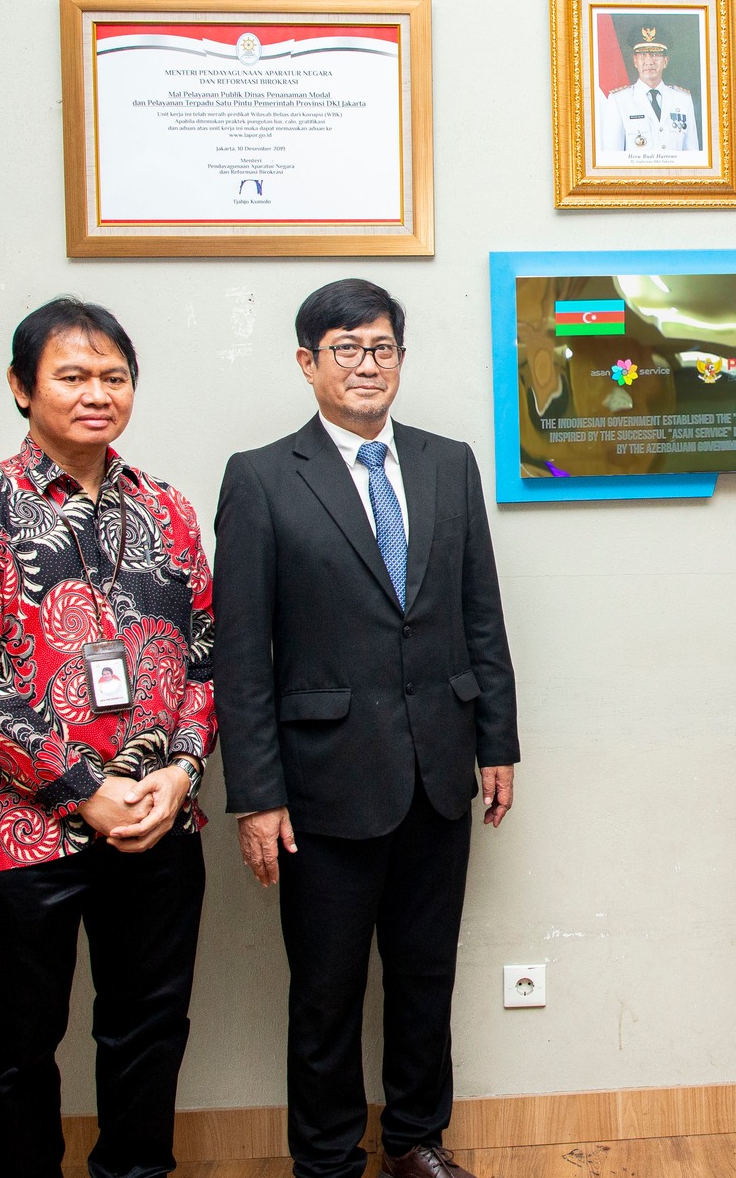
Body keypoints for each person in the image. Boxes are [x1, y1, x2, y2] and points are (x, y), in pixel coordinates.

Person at [214, 278, 520, 1178]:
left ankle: (417, 1139)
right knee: (326, 990)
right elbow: (242, 654)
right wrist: (257, 794)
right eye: (345, 348)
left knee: (426, 975)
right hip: (322, 784)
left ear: (401, 358)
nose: (366, 364)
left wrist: (497, 740)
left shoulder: (447, 462)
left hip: (439, 769)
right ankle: (326, 1160)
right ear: (307, 363)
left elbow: (480, 613)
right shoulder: (262, 477)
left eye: (381, 346)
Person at [0, 297, 217, 1178]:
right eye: (73, 375)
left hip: (159, 821)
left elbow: (205, 655)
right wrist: (84, 788)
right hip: (22, 834)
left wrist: (183, 768)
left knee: (149, 1028)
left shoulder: (168, 508)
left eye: (114, 376)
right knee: (18, 1047)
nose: (97, 393)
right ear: (22, 386)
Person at [596, 29, 701, 155]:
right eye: (642, 55)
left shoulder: (683, 100)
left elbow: (692, 155)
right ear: (635, 61)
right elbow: (612, 157)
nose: (649, 61)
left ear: (665, 61)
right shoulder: (619, 100)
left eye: (655, 55)